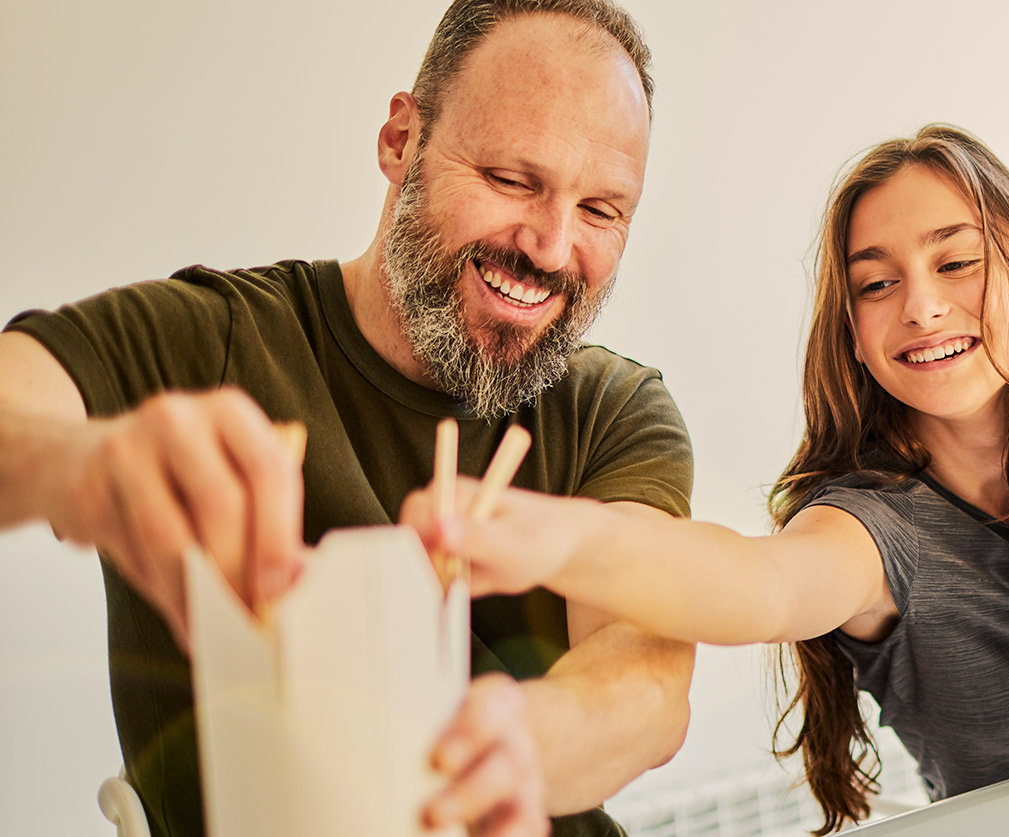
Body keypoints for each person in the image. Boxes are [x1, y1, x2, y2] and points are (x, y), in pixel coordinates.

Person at [405, 124, 1009, 833]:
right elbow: (753, 585)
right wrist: (558, 536)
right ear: (853, 333)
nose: (922, 305)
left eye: (957, 261)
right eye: (876, 282)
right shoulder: (874, 530)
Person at [0, 1, 695, 835]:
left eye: (600, 211)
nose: (550, 246)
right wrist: (79, 466)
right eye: (513, 179)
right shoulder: (208, 344)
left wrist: (518, 743)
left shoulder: (615, 411)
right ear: (402, 142)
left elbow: (647, 681)